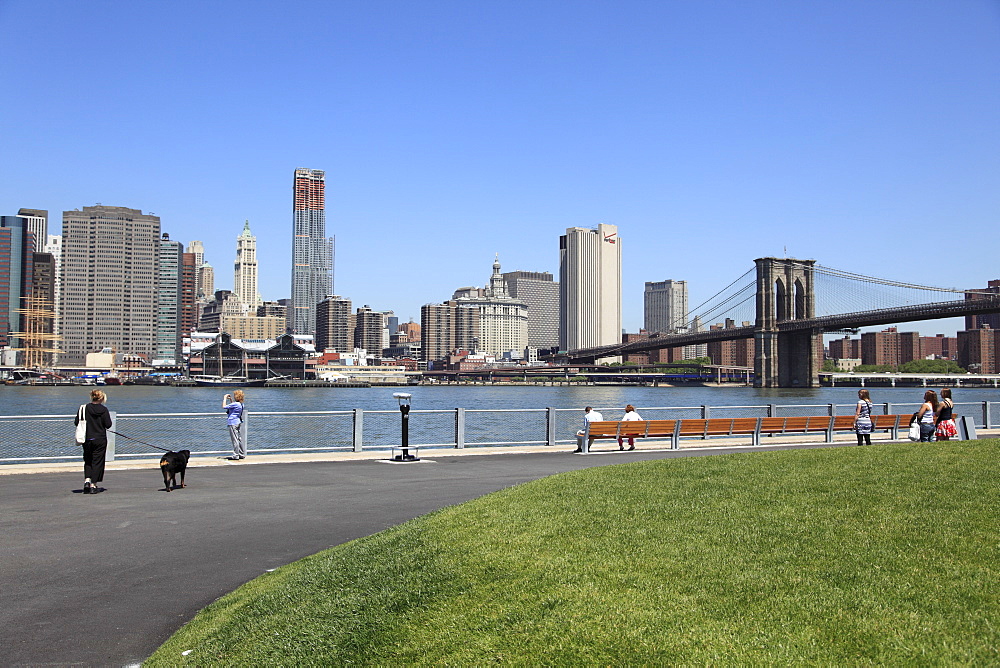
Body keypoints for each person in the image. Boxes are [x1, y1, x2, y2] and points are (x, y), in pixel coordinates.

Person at [76, 389, 112, 494]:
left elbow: (76, 422)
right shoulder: (104, 410)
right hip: (100, 438)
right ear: (101, 398)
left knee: (88, 460)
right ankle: (93, 485)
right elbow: (108, 424)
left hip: (86, 438)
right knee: (97, 461)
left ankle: (87, 480)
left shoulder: (83, 408)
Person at [223, 390, 246, 460]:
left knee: (235, 439)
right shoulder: (241, 404)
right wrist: (230, 400)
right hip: (238, 422)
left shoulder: (236, 404)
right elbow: (233, 406)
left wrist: (224, 398)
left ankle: (236, 455)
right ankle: (241, 453)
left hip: (233, 423)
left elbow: (224, 406)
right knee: (239, 439)